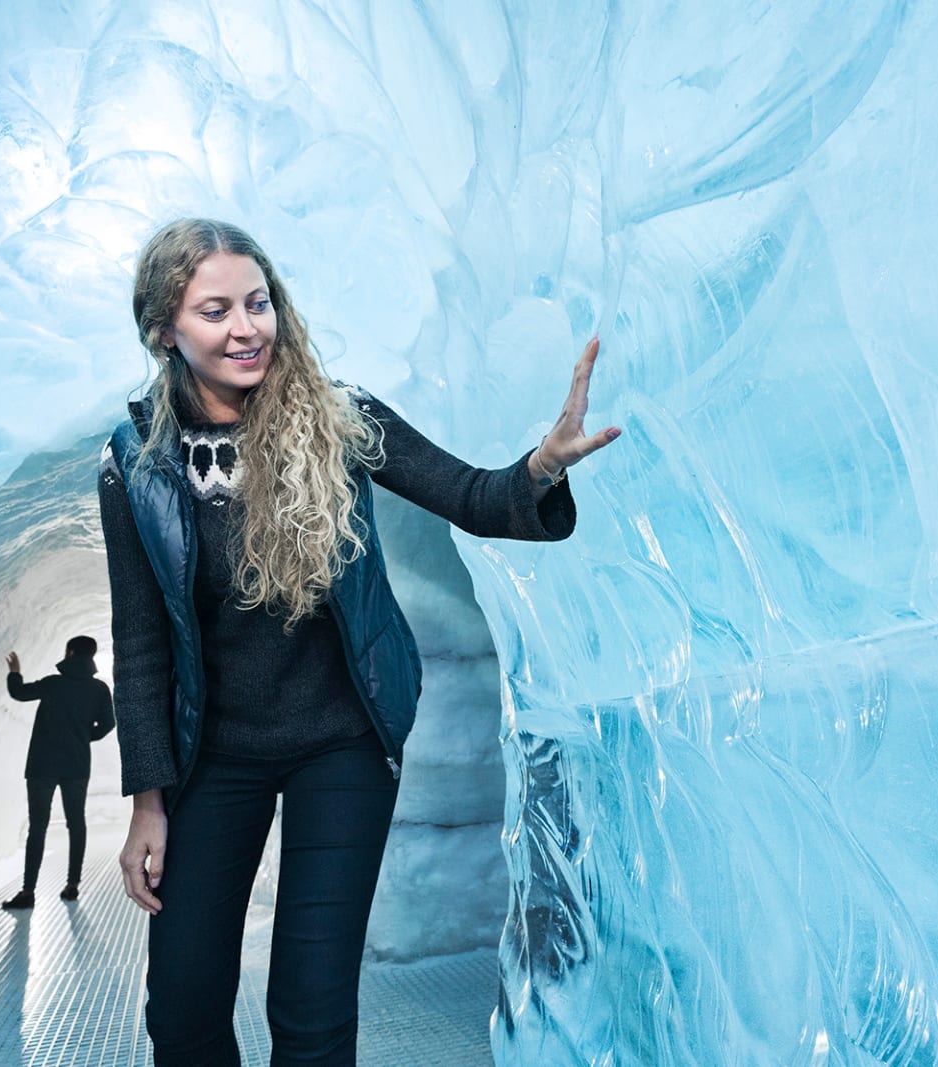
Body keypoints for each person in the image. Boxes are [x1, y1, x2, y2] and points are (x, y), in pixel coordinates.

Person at [97, 217, 620, 1066]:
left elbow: (474, 496)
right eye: (216, 310)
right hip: (213, 758)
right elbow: (141, 642)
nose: (246, 328)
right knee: (182, 1011)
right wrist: (147, 801)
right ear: (165, 330)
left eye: (259, 303)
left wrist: (541, 468)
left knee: (310, 1013)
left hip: (340, 744)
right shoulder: (136, 467)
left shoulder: (340, 420)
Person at [0, 636, 116, 909]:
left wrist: (15, 673)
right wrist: (85, 736)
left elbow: (20, 693)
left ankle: (28, 892)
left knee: (38, 826)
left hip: (42, 765)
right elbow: (109, 723)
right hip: (76, 765)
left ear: (71, 652)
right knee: (76, 824)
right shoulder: (99, 689)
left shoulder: (54, 684)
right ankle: (72, 886)